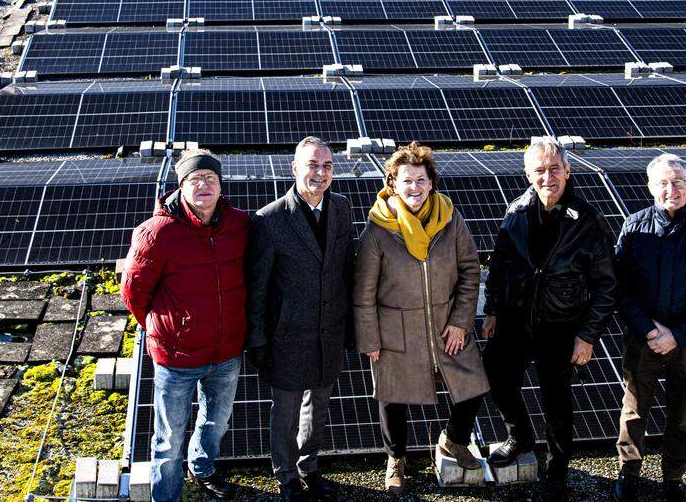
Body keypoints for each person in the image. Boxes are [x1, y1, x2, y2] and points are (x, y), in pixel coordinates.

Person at [481, 137, 617, 497]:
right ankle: (520, 435)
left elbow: (607, 285)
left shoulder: (587, 221)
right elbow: (498, 265)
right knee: (495, 373)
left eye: (554, 169)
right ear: (528, 173)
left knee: (556, 400)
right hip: (515, 318)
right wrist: (493, 308)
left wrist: (588, 336)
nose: (547, 177)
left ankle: (557, 470)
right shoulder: (516, 213)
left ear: (568, 171)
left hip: (561, 324)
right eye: (539, 170)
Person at [354, 142, 490, 494]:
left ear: (432, 183)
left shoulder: (450, 219)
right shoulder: (377, 231)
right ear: (393, 185)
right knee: (392, 396)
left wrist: (461, 320)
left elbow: (469, 270)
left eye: (420, 179)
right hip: (395, 329)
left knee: (473, 385)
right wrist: (369, 339)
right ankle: (396, 458)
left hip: (447, 323)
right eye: (406, 181)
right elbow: (364, 293)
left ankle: (454, 440)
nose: (414, 187)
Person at [122, 149, 249, 502]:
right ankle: (167, 496)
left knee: (216, 422)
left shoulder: (239, 225)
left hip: (226, 352)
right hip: (176, 357)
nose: (204, 185)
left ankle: (203, 466)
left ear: (221, 186)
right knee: (169, 437)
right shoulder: (156, 233)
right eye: (195, 179)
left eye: (211, 179)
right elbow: (134, 293)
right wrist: (165, 328)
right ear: (181, 186)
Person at [613, 153, 686, 502]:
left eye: (678, 182)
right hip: (642, 339)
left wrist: (677, 335)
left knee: (682, 415)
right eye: (663, 183)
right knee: (634, 411)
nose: (671, 189)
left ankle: (673, 479)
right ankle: (629, 473)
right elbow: (621, 287)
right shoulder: (634, 228)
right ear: (651, 187)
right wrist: (649, 331)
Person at [245, 136, 357, 501]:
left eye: (327, 166)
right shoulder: (270, 219)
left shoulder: (341, 209)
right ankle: (286, 474)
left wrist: (352, 326)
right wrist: (258, 339)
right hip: (287, 335)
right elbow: (258, 288)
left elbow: (346, 270)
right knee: (287, 412)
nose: (320, 173)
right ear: (295, 169)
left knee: (318, 406)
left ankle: (310, 466)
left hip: (329, 331)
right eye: (312, 165)